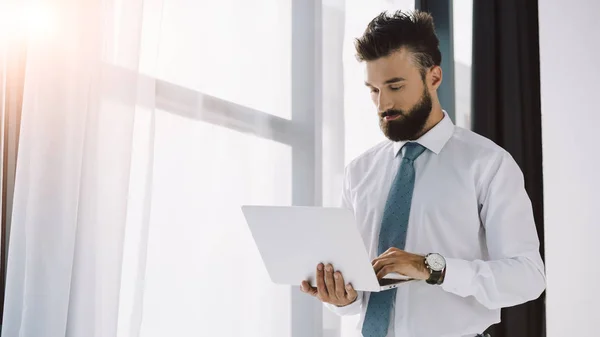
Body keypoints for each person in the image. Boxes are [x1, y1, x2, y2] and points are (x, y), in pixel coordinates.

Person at [299, 10, 546, 337]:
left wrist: (431, 268)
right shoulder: (359, 171)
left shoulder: (487, 164)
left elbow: (528, 277)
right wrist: (340, 297)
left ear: (434, 77)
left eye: (395, 86)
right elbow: (357, 292)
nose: (382, 104)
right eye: (373, 89)